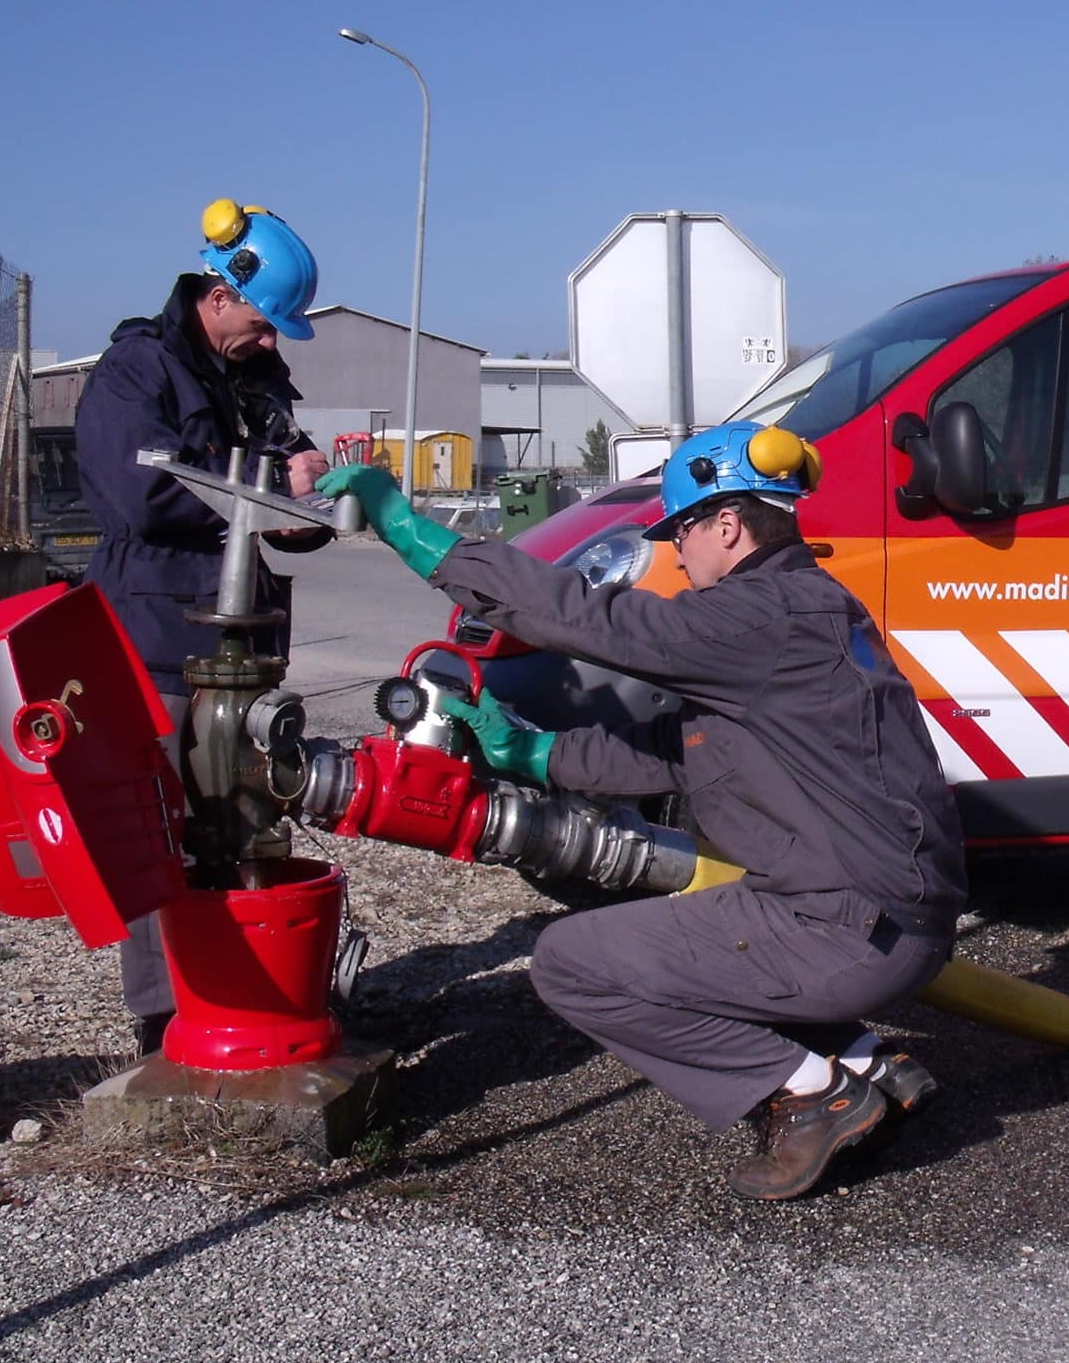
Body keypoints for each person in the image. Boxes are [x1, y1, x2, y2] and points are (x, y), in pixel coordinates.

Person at [322, 419, 967, 1201]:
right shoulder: (808, 606)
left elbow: (592, 618)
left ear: (727, 525)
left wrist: (409, 530)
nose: (676, 551)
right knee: (717, 929)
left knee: (574, 963)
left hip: (851, 930)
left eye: (683, 531)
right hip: (885, 919)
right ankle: (868, 1064)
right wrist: (533, 756)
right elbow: (679, 748)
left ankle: (811, 1093)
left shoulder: (758, 615)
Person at [74, 199, 332, 1052]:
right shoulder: (135, 371)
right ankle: (165, 1015)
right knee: (165, 824)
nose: (272, 343)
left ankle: (245, 997)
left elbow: (284, 482)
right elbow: (139, 494)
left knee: (245, 814)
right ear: (216, 295)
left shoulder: (250, 374)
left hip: (241, 642)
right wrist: (265, 479)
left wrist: (306, 499)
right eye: (263, 325)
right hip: (157, 640)